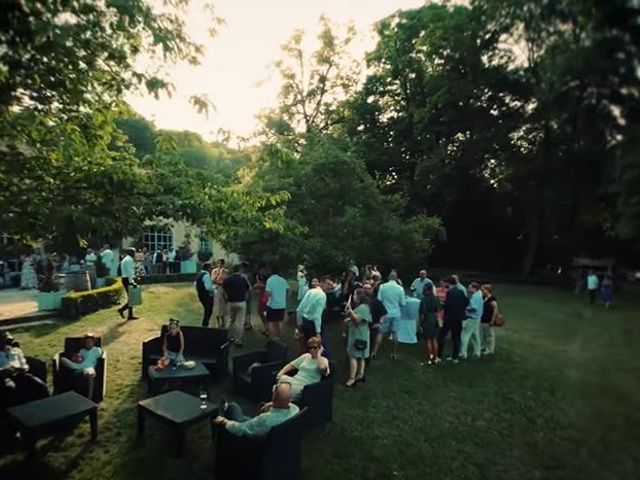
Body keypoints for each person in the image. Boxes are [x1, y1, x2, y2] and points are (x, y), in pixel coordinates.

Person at [213, 382, 299, 438]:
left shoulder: (265, 419)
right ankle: (225, 409)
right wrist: (273, 403)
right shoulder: (295, 410)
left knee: (233, 407)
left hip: (252, 440)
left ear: (273, 397)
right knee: (244, 417)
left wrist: (224, 422)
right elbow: (283, 401)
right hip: (264, 432)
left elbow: (241, 429)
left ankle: (224, 413)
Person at [0, 332, 49, 407]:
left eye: (10, 342)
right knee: (10, 389)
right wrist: (4, 371)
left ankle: (47, 406)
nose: (8, 344)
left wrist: (22, 368)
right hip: (4, 378)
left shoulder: (15, 352)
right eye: (6, 342)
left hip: (20, 374)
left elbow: (24, 365)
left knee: (40, 386)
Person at [59, 333, 102, 400]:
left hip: (89, 367)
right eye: (87, 342)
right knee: (63, 359)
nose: (88, 343)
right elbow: (78, 359)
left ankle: (89, 396)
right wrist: (76, 359)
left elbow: (100, 356)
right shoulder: (82, 351)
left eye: (90, 342)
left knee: (90, 374)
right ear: (84, 343)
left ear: (93, 342)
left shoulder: (97, 350)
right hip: (79, 365)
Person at [373, 271, 406, 360]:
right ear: (396, 278)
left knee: (381, 333)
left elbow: (379, 300)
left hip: (385, 313)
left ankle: (374, 351)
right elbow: (403, 303)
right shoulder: (400, 289)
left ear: (388, 277)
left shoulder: (383, 287)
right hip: (396, 313)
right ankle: (393, 353)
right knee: (395, 333)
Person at [296, 277, 332, 354]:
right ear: (321, 283)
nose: (330, 287)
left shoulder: (310, 291)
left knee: (306, 345)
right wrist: (318, 333)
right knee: (322, 348)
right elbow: (317, 315)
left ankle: (305, 360)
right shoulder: (322, 295)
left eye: (331, 285)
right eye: (328, 284)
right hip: (314, 325)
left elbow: (299, 309)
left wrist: (299, 325)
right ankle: (324, 362)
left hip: (305, 322)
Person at [437, 278, 469, 363]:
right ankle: (455, 357)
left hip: (450, 318)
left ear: (449, 283)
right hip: (459, 318)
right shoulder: (461, 291)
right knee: (456, 337)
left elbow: (448, 304)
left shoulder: (450, 292)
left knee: (441, 336)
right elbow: (466, 302)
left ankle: (439, 355)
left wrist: (441, 306)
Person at [344, 289, 371, 387]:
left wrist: (350, 309)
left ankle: (351, 379)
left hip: (358, 334)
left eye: (355, 294)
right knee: (362, 356)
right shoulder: (363, 307)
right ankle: (360, 375)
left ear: (359, 296)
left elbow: (357, 319)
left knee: (353, 355)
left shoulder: (363, 307)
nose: (354, 296)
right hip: (361, 333)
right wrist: (348, 318)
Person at [222, 265, 251, 347]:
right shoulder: (242, 279)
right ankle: (238, 339)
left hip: (231, 302)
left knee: (230, 320)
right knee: (240, 322)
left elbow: (224, 290)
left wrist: (226, 297)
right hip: (241, 301)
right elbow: (249, 288)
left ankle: (228, 336)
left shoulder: (227, 279)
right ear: (240, 270)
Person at [362, 281, 387, 362]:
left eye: (368, 289)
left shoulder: (376, 302)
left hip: (372, 326)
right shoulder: (358, 300)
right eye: (364, 288)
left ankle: (373, 352)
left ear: (372, 290)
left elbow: (384, 314)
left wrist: (380, 323)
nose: (366, 290)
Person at [460, 282, 483, 360]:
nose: (468, 289)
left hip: (471, 318)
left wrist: (464, 308)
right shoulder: (479, 295)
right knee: (475, 335)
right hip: (477, 318)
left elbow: (474, 308)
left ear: (474, 288)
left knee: (464, 335)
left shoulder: (475, 297)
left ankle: (463, 353)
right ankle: (477, 352)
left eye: (470, 287)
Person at [265, 266, 289, 339]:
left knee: (271, 322)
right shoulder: (283, 280)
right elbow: (288, 290)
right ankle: (279, 337)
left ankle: (273, 337)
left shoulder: (270, 280)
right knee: (280, 321)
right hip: (282, 305)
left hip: (272, 304)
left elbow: (268, 293)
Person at [419, 284, 441, 365]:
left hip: (427, 320)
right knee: (434, 339)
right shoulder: (436, 298)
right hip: (434, 319)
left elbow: (423, 313)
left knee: (428, 340)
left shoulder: (424, 299)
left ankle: (429, 358)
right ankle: (435, 358)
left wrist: (420, 323)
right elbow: (438, 309)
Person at [117, 247, 139, 320]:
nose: (135, 254)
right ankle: (122, 310)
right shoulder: (129, 260)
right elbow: (129, 272)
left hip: (124, 279)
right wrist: (132, 282)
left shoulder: (126, 259)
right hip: (127, 280)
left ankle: (130, 315)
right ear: (131, 253)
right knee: (132, 298)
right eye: (134, 252)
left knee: (131, 298)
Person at [195, 262, 215, 327]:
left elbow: (195, 284)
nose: (211, 270)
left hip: (201, 295)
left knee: (207, 310)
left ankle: (205, 324)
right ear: (208, 268)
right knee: (208, 311)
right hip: (207, 296)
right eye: (210, 268)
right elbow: (209, 287)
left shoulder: (199, 275)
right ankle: (205, 325)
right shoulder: (206, 275)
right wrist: (215, 288)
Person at [481, 284, 498, 355]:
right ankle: (484, 346)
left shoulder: (492, 300)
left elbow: (495, 311)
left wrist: (492, 320)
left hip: (489, 320)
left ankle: (490, 349)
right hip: (483, 319)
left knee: (490, 335)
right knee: (484, 334)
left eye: (483, 290)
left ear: (487, 290)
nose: (482, 291)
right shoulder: (484, 298)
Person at [212, 259, 229, 327]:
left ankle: (223, 321)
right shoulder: (214, 271)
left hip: (223, 289)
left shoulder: (225, 272)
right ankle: (218, 322)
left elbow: (226, 281)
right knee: (217, 306)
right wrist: (218, 275)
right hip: (217, 289)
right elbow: (213, 279)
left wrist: (220, 281)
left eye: (221, 263)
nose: (220, 265)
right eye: (218, 263)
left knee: (223, 306)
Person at [254, 269, 270, 337]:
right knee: (265, 315)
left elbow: (255, 287)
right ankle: (266, 328)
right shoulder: (267, 284)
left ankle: (267, 329)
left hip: (263, 301)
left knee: (262, 315)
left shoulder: (261, 285)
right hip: (267, 300)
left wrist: (257, 280)